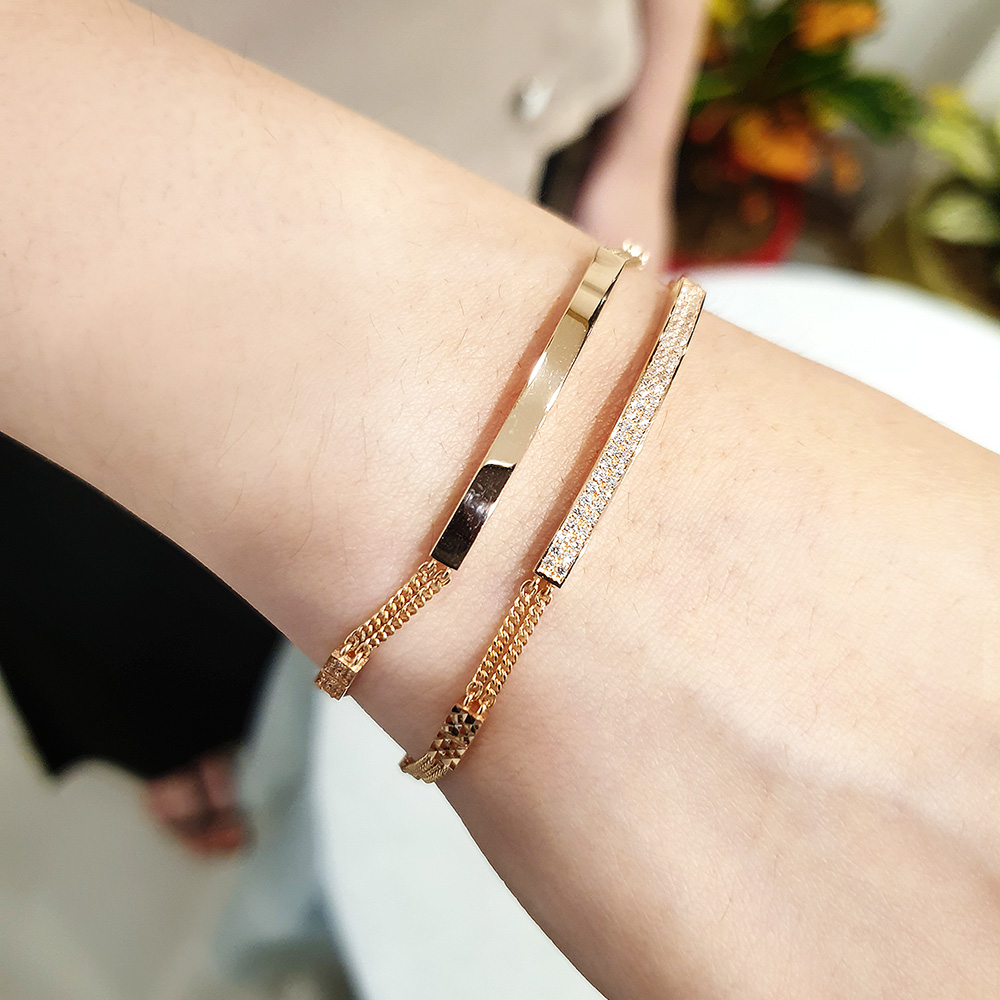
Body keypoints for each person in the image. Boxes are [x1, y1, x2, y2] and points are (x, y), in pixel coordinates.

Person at [2, 2, 998, 997]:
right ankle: (166, 732)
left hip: (536, 141)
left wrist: (643, 143)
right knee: (132, 599)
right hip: (113, 266)